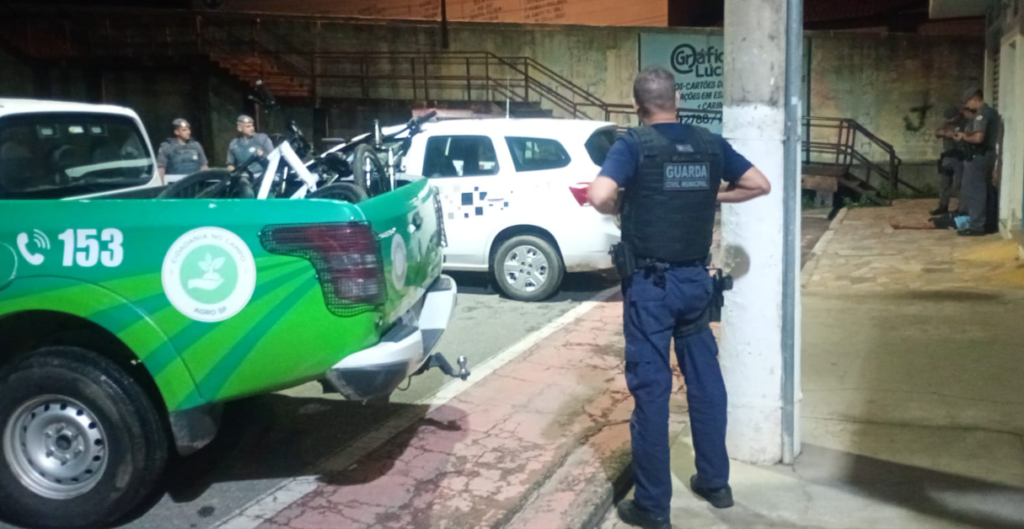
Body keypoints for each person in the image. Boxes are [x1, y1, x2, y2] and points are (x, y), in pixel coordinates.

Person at [588, 67, 771, 529]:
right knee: (705, 382)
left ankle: (653, 507)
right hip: (696, 283)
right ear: (678, 100)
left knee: (652, 392)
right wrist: (712, 195)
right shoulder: (710, 143)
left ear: (637, 106)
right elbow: (759, 184)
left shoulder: (634, 144)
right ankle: (716, 484)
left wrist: (623, 204)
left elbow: (599, 194)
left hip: (651, 288)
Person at [954, 87, 1001, 236]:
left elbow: (978, 138)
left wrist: (963, 136)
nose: (967, 106)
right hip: (984, 156)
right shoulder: (989, 112)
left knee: (975, 192)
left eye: (968, 102)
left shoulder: (983, 114)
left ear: (975, 99)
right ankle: (988, 223)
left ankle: (977, 226)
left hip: (979, 157)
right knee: (984, 190)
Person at [931, 106, 966, 216]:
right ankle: (943, 205)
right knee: (944, 182)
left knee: (958, 184)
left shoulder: (964, 123)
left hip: (960, 156)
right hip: (947, 156)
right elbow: (937, 132)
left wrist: (954, 134)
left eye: (952, 118)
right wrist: (946, 133)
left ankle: (962, 207)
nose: (950, 120)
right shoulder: (947, 124)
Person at [156, 118, 209, 185]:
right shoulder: (167, 147)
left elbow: (204, 166)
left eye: (189, 129)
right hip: (175, 186)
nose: (188, 132)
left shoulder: (196, 146)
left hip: (195, 184)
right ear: (176, 132)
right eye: (184, 130)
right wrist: (161, 185)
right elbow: (161, 168)